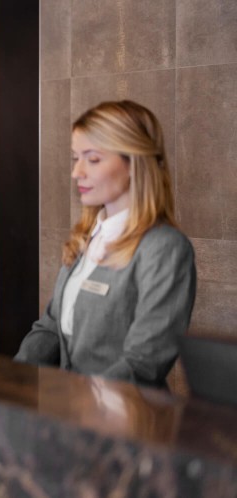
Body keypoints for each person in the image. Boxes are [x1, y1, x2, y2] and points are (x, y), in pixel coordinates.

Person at [15, 100, 196, 388]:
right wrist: (10, 380)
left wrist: (83, 403)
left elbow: (144, 362)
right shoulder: (86, 236)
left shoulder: (165, 248)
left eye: (93, 159)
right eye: (76, 158)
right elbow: (49, 328)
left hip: (126, 422)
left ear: (134, 163)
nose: (77, 172)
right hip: (70, 415)